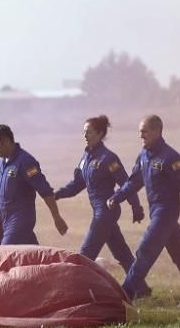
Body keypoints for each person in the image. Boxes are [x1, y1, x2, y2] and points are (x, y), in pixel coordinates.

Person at [107, 114, 180, 302]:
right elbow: (134, 182)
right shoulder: (143, 156)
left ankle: (126, 293)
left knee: (144, 251)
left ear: (157, 131)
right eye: (140, 132)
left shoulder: (170, 157)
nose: (141, 136)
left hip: (166, 214)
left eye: (145, 132)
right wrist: (117, 197)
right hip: (156, 212)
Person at [54, 115, 150, 295]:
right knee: (122, 253)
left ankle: (73, 291)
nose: (85, 135)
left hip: (106, 212)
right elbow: (76, 185)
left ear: (99, 134)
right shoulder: (85, 158)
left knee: (86, 253)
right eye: (84, 132)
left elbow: (126, 184)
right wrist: (57, 194)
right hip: (100, 212)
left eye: (89, 132)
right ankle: (141, 288)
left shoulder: (108, 158)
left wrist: (136, 207)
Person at [0, 124, 68, 244]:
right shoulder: (2, 162)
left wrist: (56, 217)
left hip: (20, 221)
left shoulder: (25, 161)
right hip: (6, 220)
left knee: (6, 254)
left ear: (5, 141)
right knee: (32, 257)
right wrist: (1, 213)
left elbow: (45, 190)